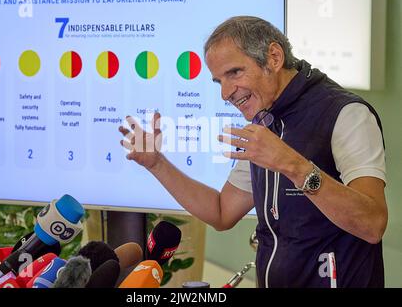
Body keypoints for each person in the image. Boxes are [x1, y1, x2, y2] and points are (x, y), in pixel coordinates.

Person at [119, 16, 387, 288]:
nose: (225, 93)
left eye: (234, 72)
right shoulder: (264, 120)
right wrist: (157, 164)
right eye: (218, 81)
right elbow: (222, 212)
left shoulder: (347, 114)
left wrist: (293, 165)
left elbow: (373, 224)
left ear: (274, 57)